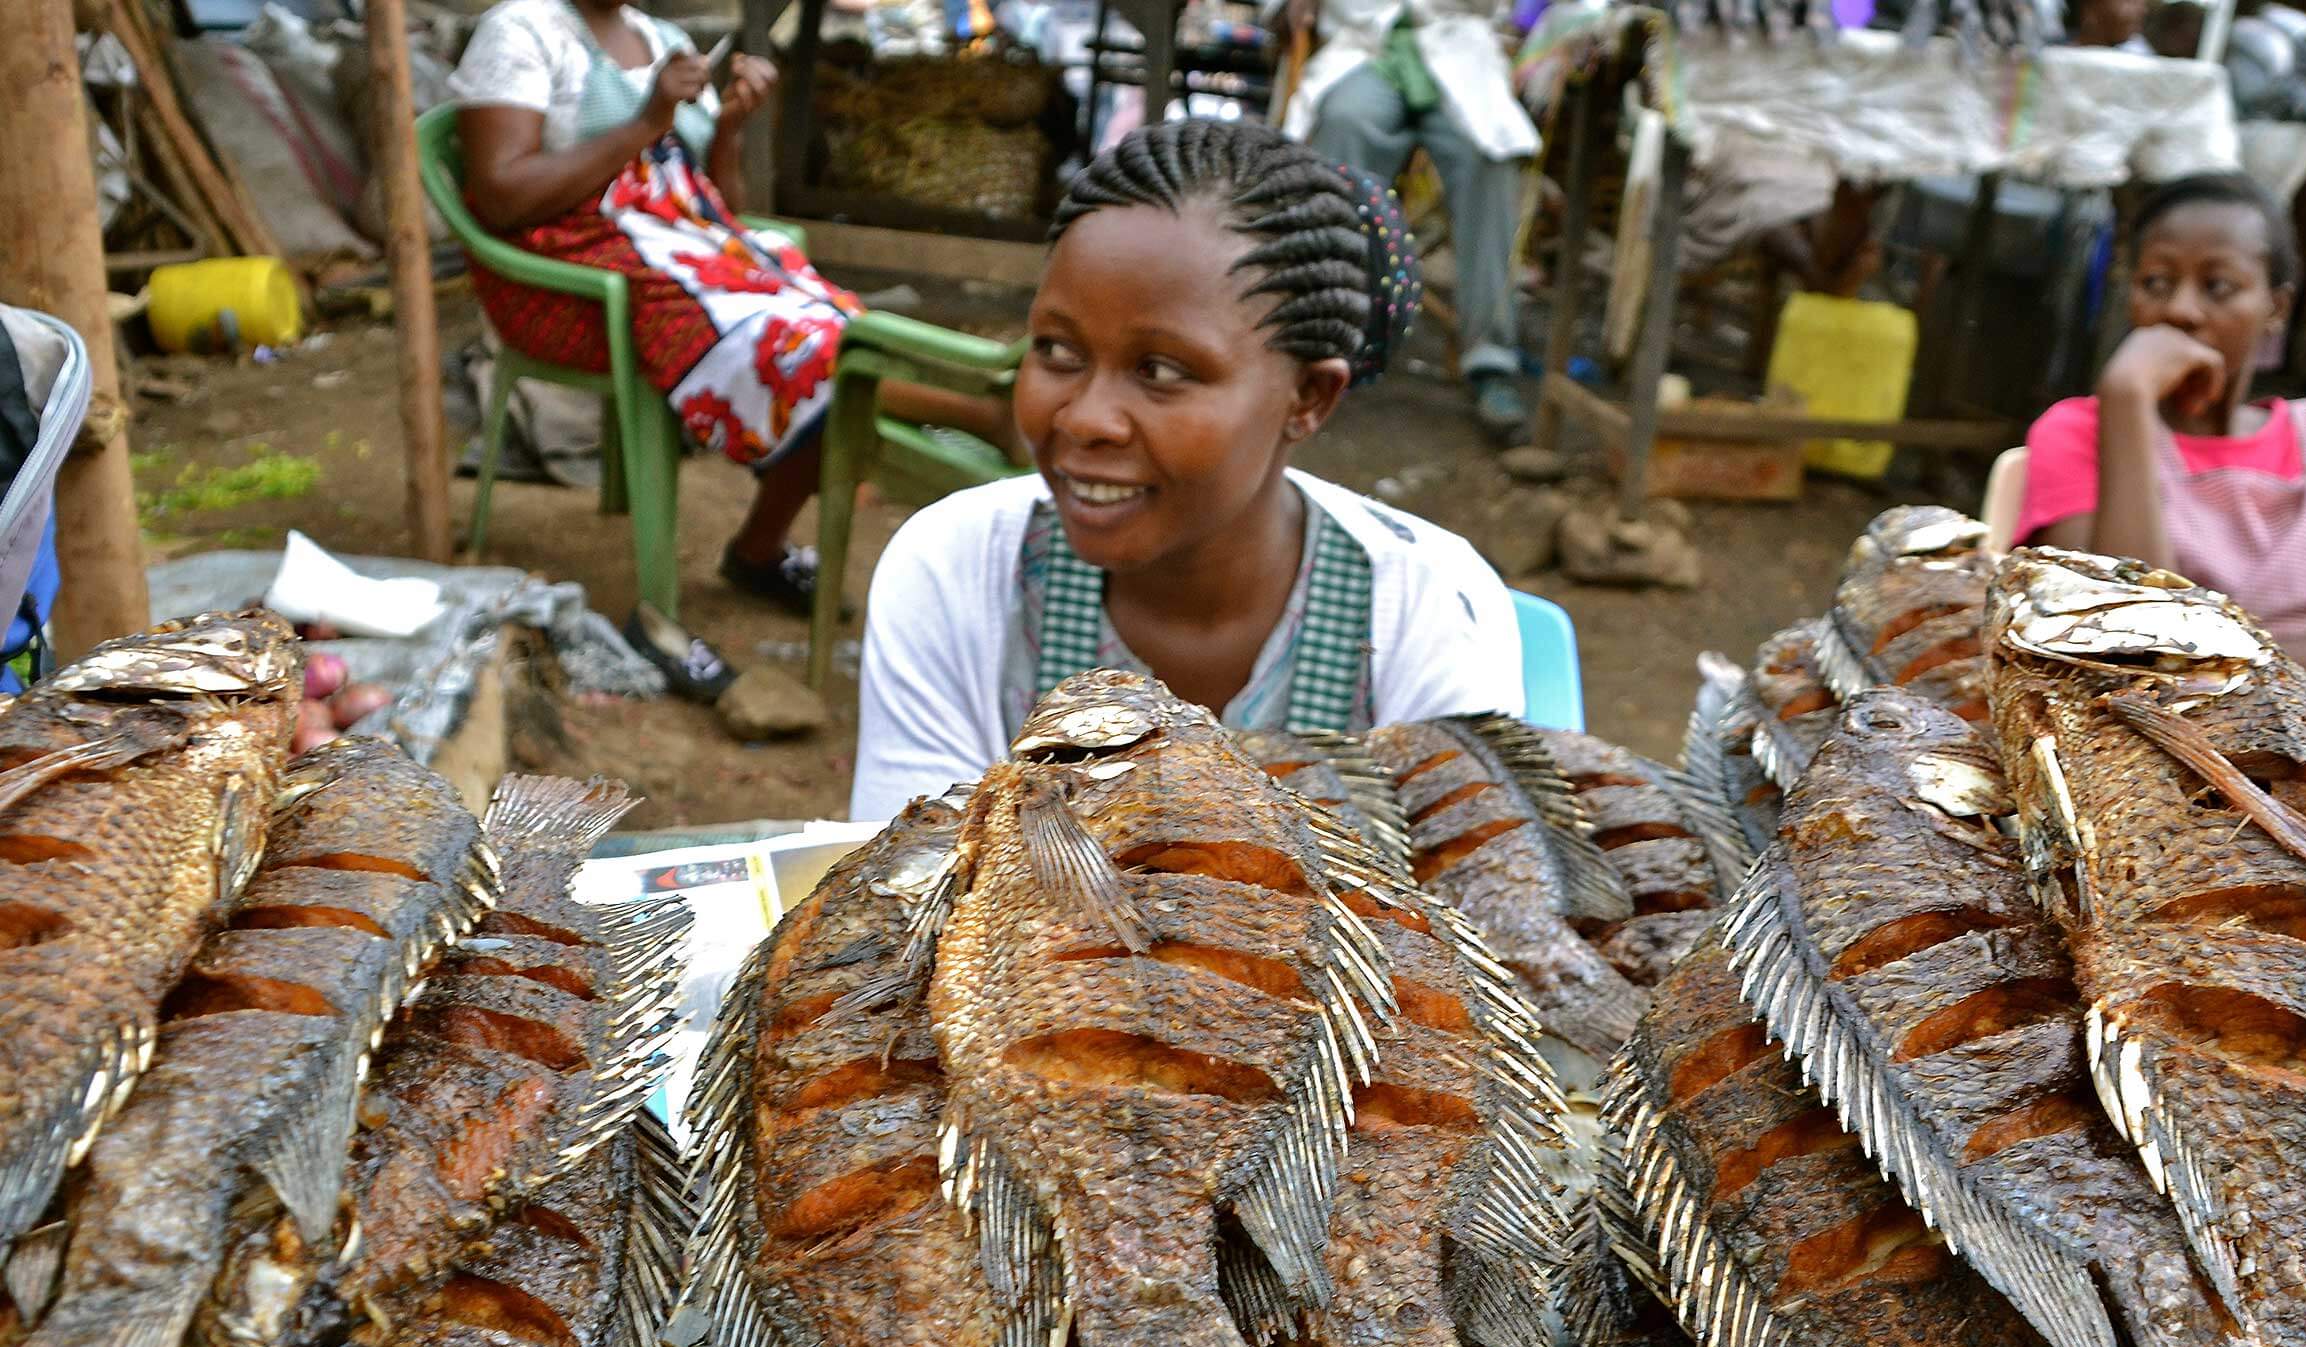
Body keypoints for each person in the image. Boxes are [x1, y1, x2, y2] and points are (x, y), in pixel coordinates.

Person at [851, 120, 1524, 820]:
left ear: (1308, 397)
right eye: (1057, 351)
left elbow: (1473, 879)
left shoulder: (1426, 612)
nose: (1087, 419)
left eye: (1161, 371)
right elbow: (908, 876)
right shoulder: (960, 574)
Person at [448, 0, 1011, 617]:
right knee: (788, 344)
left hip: (684, 250)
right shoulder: (522, 31)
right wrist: (647, 122)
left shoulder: (658, 37)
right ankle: (984, 413)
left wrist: (730, 128)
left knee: (831, 319)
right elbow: (502, 198)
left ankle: (758, 548)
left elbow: (719, 209)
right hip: (570, 278)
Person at [2020, 171, 2306, 763]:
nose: (2180, 310)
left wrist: (2221, 660)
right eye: (2156, 282)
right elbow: (2127, 641)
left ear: (2276, 308)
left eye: (2218, 286)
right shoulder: (2082, 431)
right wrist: (2128, 399)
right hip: (2166, 755)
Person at [1277, 0, 1539, 439]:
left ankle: (1490, 363)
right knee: (1344, 126)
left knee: (1489, 157)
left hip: (1457, 48)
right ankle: (1322, 340)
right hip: (1364, 49)